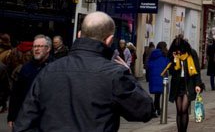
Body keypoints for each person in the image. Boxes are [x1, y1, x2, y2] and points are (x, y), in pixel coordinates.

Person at [13, 12, 152, 132]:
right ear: (109, 40)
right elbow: (144, 111)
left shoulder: (48, 70)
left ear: (79, 35)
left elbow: (23, 123)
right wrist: (130, 76)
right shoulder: (115, 75)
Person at [6, 35, 51, 128]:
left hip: (48, 118)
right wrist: (12, 116)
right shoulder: (25, 68)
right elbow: (16, 94)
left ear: (48, 49)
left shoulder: (55, 67)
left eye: (40, 46)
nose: (36, 49)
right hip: (26, 117)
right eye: (35, 46)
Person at [166, 37, 204, 132]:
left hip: (189, 84)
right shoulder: (174, 55)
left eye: (180, 49)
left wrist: (198, 84)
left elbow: (197, 71)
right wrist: (174, 61)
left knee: (184, 109)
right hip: (177, 85)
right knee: (179, 111)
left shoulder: (191, 54)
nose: (178, 51)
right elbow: (171, 72)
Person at [147, 41, 169, 118]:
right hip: (161, 76)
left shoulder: (153, 54)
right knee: (160, 94)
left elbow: (148, 65)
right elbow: (168, 65)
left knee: (157, 95)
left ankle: (157, 109)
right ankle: (156, 110)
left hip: (153, 76)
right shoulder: (164, 55)